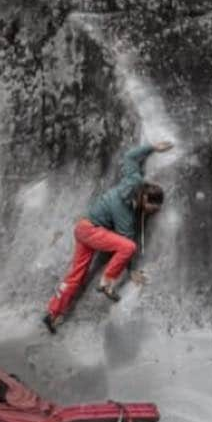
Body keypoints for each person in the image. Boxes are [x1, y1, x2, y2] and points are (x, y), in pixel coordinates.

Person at [44, 141, 173, 332]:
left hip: (83, 228)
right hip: (91, 231)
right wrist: (131, 271)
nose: (152, 212)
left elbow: (129, 157)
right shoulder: (125, 215)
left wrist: (153, 147)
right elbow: (126, 244)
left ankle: (52, 313)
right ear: (145, 199)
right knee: (129, 247)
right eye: (152, 209)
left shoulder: (134, 179)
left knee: (75, 276)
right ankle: (106, 282)